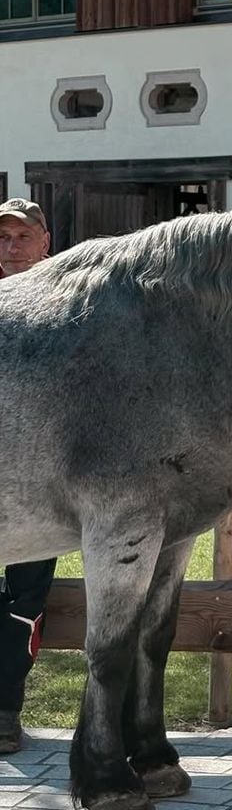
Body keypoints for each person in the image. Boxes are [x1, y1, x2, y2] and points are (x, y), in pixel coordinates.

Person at [0, 197, 55, 754]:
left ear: (45, 242)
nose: (12, 248)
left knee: (24, 601)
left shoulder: (69, 307)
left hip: (42, 486)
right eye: (4, 238)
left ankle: (4, 710)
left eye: (22, 237)